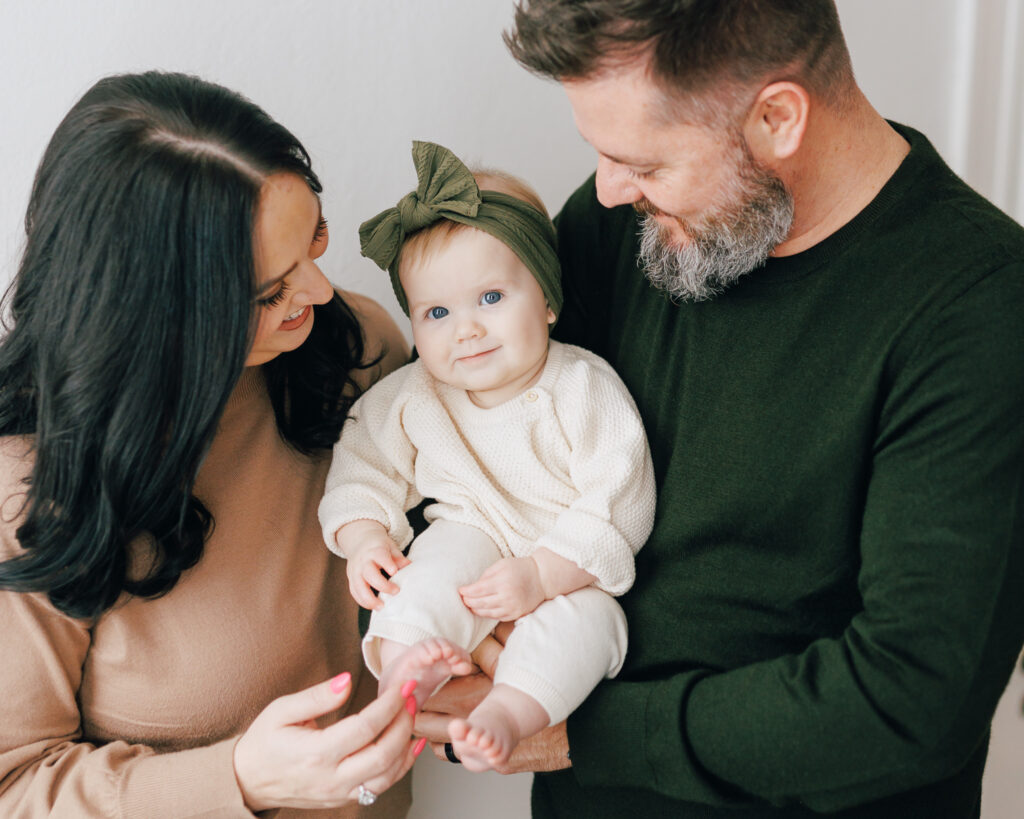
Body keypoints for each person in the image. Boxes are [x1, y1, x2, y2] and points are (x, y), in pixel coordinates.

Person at [416, 2, 1024, 817]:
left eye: (644, 164)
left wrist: (588, 731)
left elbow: (909, 697)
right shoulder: (621, 224)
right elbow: (468, 433)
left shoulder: (979, 309)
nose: (606, 187)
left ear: (778, 117)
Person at [0, 71, 424, 817]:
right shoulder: (30, 491)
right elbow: (14, 785)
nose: (322, 292)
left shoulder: (352, 355)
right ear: (153, 311)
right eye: (269, 293)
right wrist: (239, 779)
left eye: (314, 239)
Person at [318, 141, 656, 773]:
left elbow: (620, 495)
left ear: (548, 301)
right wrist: (364, 539)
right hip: (468, 537)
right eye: (437, 312)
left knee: (592, 625)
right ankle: (401, 683)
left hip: (562, 561)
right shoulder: (415, 394)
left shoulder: (583, 386)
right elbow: (364, 465)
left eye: (491, 299)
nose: (465, 329)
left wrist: (543, 575)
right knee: (420, 578)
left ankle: (509, 712)